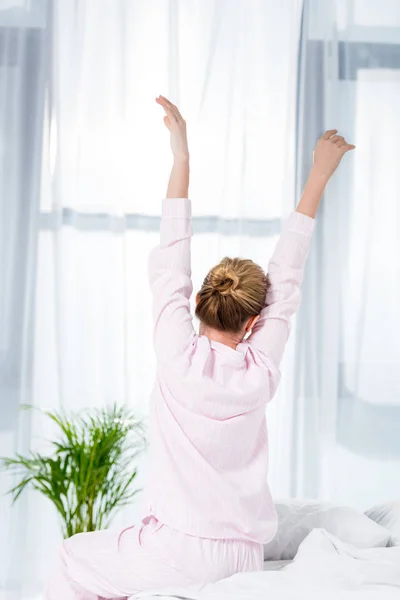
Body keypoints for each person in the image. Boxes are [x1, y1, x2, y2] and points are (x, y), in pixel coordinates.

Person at [45, 97, 355, 599]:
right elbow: (287, 280)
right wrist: (318, 177)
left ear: (196, 302)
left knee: (71, 559)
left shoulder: (177, 357)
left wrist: (181, 157)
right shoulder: (261, 370)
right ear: (254, 322)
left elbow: (172, 260)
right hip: (244, 553)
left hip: (180, 552)